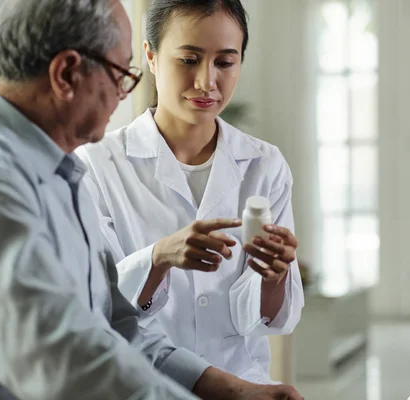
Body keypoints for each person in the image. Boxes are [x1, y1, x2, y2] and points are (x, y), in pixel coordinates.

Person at [0, 0, 303, 399]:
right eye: (120, 73)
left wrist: (235, 391)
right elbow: (66, 366)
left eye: (225, 62)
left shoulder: (57, 173)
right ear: (67, 73)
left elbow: (118, 329)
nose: (121, 93)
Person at [77, 0, 304, 383]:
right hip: (143, 385)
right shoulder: (97, 164)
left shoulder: (265, 164)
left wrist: (275, 277)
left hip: (243, 382)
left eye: (225, 63)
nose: (207, 82)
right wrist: (159, 257)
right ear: (150, 55)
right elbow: (99, 307)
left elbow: (270, 319)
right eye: (188, 60)